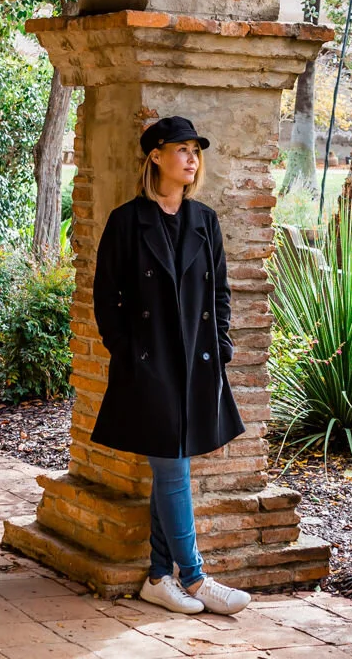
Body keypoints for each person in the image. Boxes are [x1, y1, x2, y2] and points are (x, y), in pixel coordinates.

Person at [90, 116, 252, 616]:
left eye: (195, 151)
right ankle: (197, 577)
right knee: (173, 468)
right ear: (155, 156)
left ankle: (160, 577)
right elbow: (105, 297)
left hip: (197, 364)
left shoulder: (204, 221)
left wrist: (221, 344)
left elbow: (221, 291)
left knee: (169, 468)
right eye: (181, 149)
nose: (191, 158)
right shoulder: (126, 220)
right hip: (150, 365)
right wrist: (129, 353)